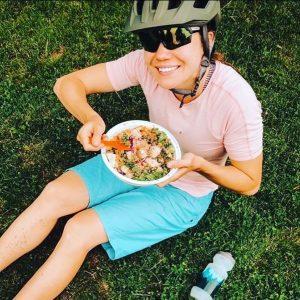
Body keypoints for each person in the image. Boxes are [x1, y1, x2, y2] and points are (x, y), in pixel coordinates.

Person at [0, 0, 263, 298]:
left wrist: (201, 166)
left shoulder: (235, 102)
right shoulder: (145, 63)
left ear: (208, 39)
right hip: (134, 157)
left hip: (186, 193)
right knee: (55, 195)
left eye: (177, 36)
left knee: (78, 230)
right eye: (150, 38)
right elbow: (67, 83)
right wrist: (90, 117)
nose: (161, 54)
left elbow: (250, 182)